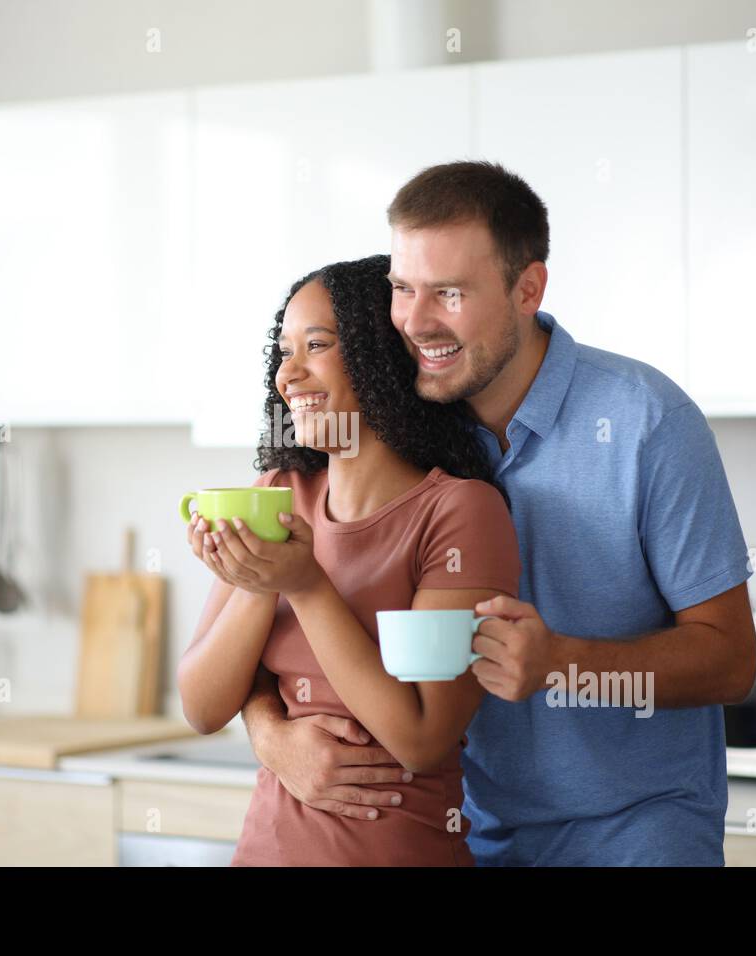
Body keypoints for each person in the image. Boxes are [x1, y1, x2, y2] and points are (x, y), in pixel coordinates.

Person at [240, 161, 756, 867]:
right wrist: (269, 734)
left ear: (527, 289)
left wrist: (561, 665)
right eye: (402, 289)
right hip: (467, 833)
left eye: (448, 293)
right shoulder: (403, 423)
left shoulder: (645, 421)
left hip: (633, 835)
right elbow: (295, 618)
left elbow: (730, 660)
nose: (416, 322)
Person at [177, 254, 520, 866]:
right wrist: (260, 583)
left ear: (378, 354)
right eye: (283, 350)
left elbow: (420, 736)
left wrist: (305, 585)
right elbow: (202, 707)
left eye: (316, 345)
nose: (289, 374)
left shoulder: (458, 513)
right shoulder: (279, 492)